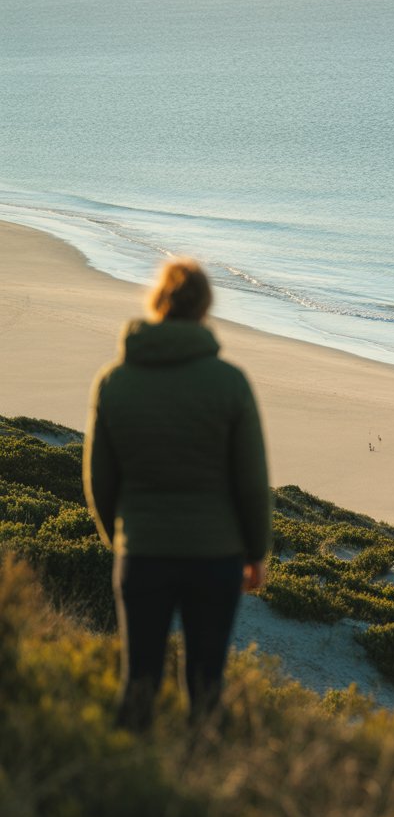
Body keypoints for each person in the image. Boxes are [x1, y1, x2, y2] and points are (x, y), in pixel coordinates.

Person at [84, 258, 271, 731]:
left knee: (137, 684)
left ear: (157, 301)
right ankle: (200, 788)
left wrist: (120, 537)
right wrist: (257, 552)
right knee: (207, 687)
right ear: (206, 307)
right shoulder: (230, 382)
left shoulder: (115, 381)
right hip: (216, 557)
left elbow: (99, 482)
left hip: (142, 550)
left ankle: (128, 791)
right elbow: (251, 480)